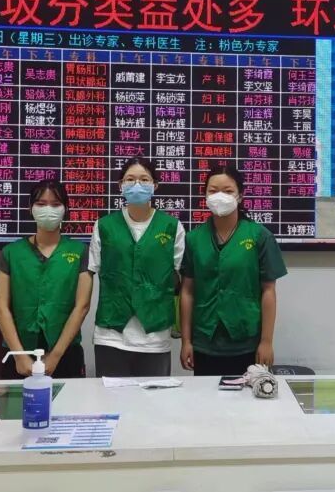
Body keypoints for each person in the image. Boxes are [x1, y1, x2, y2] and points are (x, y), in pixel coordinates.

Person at [180, 164, 287, 376]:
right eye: (213, 191)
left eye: (228, 191)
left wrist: (266, 341)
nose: (220, 196)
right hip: (205, 341)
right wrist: (186, 341)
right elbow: (187, 291)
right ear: (205, 196)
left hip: (246, 341)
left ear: (240, 196)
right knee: (205, 396)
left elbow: (268, 291)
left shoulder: (259, 236)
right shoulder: (193, 239)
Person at [89, 156, 185, 377]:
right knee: (110, 397)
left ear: (155, 185)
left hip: (155, 337)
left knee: (154, 398)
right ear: (120, 185)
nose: (137, 184)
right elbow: (91, 273)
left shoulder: (172, 227)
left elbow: (184, 282)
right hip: (111, 335)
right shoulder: (104, 226)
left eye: (144, 179)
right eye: (130, 179)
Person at [0, 179, 92, 378]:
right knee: (17, 399)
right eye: (41, 204)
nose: (48, 209)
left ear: (65, 209)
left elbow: (82, 306)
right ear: (30, 208)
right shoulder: (11, 252)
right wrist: (20, 356)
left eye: (55, 204)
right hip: (19, 352)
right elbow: (1, 307)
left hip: (65, 353)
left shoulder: (80, 251)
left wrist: (55, 356)